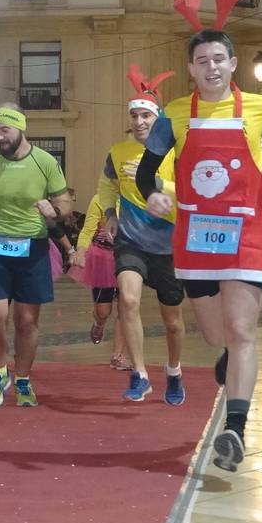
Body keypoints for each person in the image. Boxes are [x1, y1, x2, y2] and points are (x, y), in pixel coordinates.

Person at [136, 0, 262, 474]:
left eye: (219, 59)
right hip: (196, 236)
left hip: (247, 231)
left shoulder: (260, 108)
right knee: (215, 335)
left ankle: (236, 430)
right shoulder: (174, 115)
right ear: (190, 68)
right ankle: (230, 363)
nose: (211, 67)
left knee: (243, 330)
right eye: (202, 59)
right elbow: (147, 172)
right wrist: (154, 194)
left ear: (233, 64)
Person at [0, 105, 71, 408]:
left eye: (5, 130)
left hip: (32, 248)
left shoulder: (45, 162)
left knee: (25, 321)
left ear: (21, 127)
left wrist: (54, 210)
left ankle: (22, 379)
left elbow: (65, 202)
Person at [99, 65, 186, 404]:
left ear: (157, 118)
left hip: (168, 243)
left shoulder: (175, 152)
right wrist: (109, 213)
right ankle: (140, 374)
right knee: (129, 300)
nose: (139, 122)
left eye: (145, 115)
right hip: (130, 240)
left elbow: (190, 191)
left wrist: (158, 184)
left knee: (174, 321)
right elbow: (106, 185)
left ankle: (174, 371)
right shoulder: (117, 153)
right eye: (134, 115)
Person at [70, 191, 130, 371]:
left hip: (128, 257)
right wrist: (80, 251)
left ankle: (117, 355)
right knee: (104, 311)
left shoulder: (137, 198)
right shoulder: (99, 199)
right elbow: (88, 230)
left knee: (126, 307)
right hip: (102, 258)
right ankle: (99, 323)